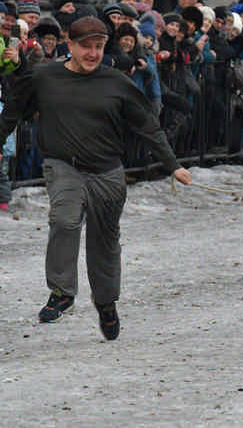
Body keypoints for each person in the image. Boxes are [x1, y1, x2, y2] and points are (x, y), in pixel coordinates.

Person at [0, 17, 193, 340]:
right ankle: (62, 291)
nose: (92, 53)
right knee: (64, 220)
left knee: (104, 240)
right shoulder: (45, 77)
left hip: (107, 170)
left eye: (98, 47)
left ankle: (105, 302)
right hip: (63, 165)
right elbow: (14, 111)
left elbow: (147, 126)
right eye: (85, 46)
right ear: (70, 45)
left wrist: (172, 165)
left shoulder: (116, 82)